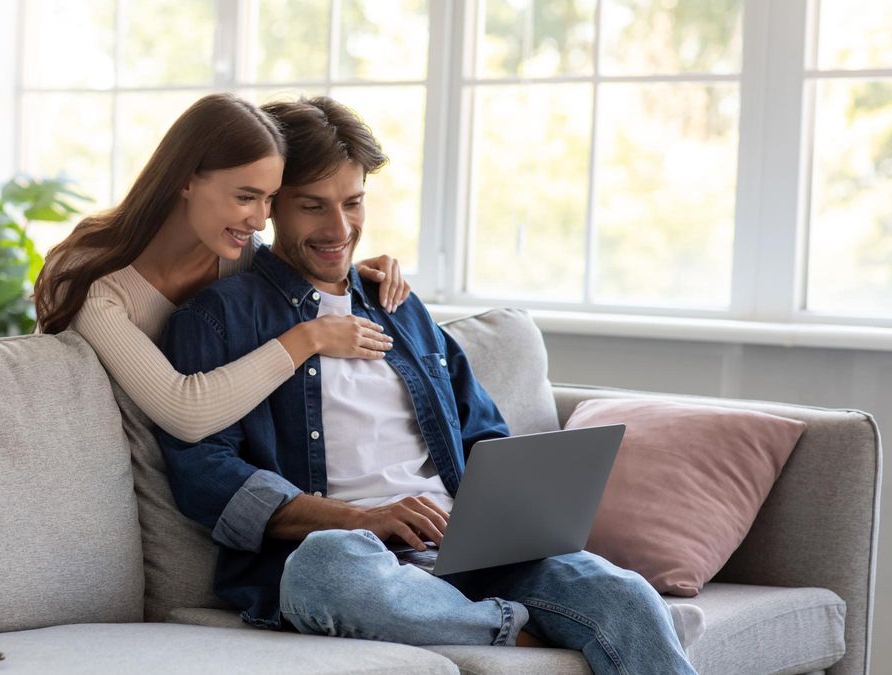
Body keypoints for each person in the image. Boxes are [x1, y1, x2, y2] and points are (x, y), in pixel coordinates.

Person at [155, 96, 704, 674]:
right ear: (269, 208)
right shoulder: (221, 319)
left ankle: (476, 609)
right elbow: (205, 477)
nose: (339, 230)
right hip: (345, 557)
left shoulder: (398, 306)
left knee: (624, 593)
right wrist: (364, 520)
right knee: (328, 571)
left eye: (353, 202)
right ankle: (508, 627)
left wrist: (518, 509)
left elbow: (482, 431)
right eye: (312, 207)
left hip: (467, 553)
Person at [32, 92, 412, 443]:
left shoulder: (240, 254)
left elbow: (293, 279)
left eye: (270, 199)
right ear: (185, 181)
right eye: (246, 197)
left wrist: (349, 278)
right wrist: (309, 338)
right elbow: (186, 412)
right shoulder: (92, 279)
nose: (261, 220)